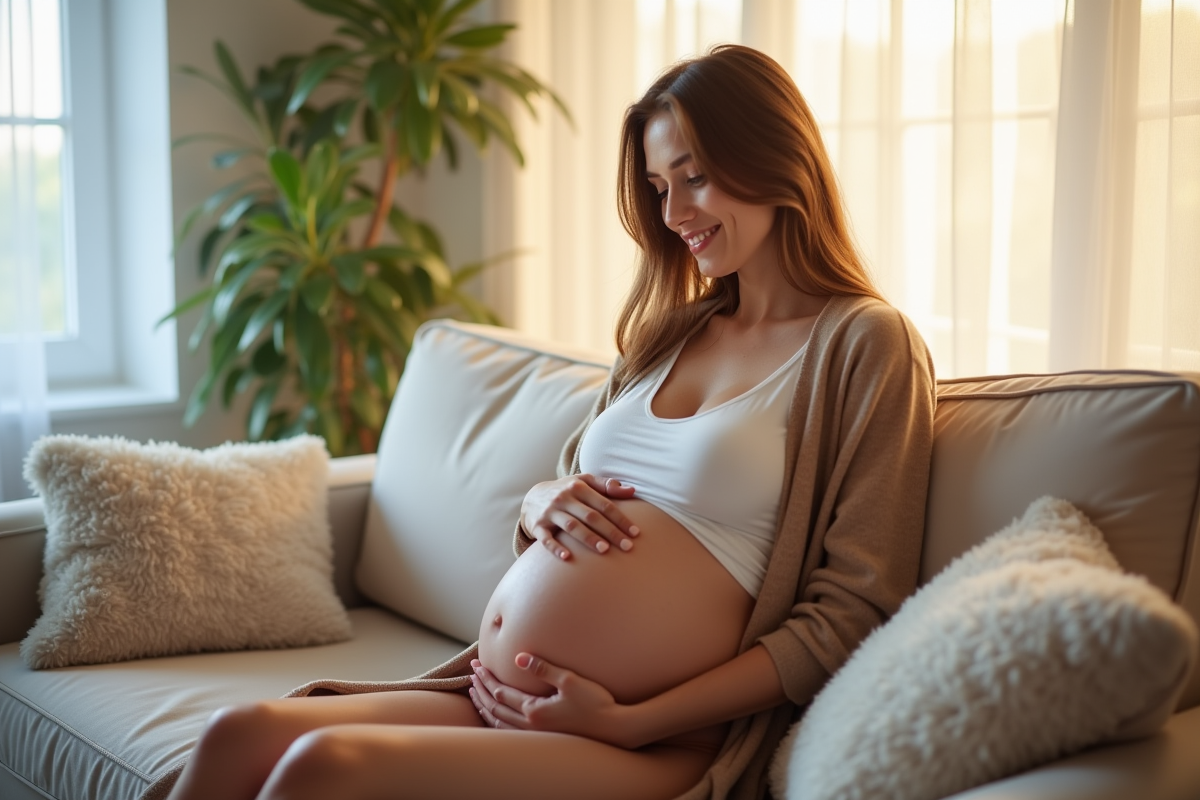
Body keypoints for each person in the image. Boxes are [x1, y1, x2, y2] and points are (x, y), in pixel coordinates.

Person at [165, 43, 935, 800]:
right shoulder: (669, 334)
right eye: (660, 186)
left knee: (321, 769)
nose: (675, 214)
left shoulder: (865, 343)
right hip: (493, 693)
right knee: (234, 735)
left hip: (652, 741)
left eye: (695, 178)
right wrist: (539, 504)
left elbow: (854, 608)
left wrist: (632, 720)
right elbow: (572, 493)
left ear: (779, 159)